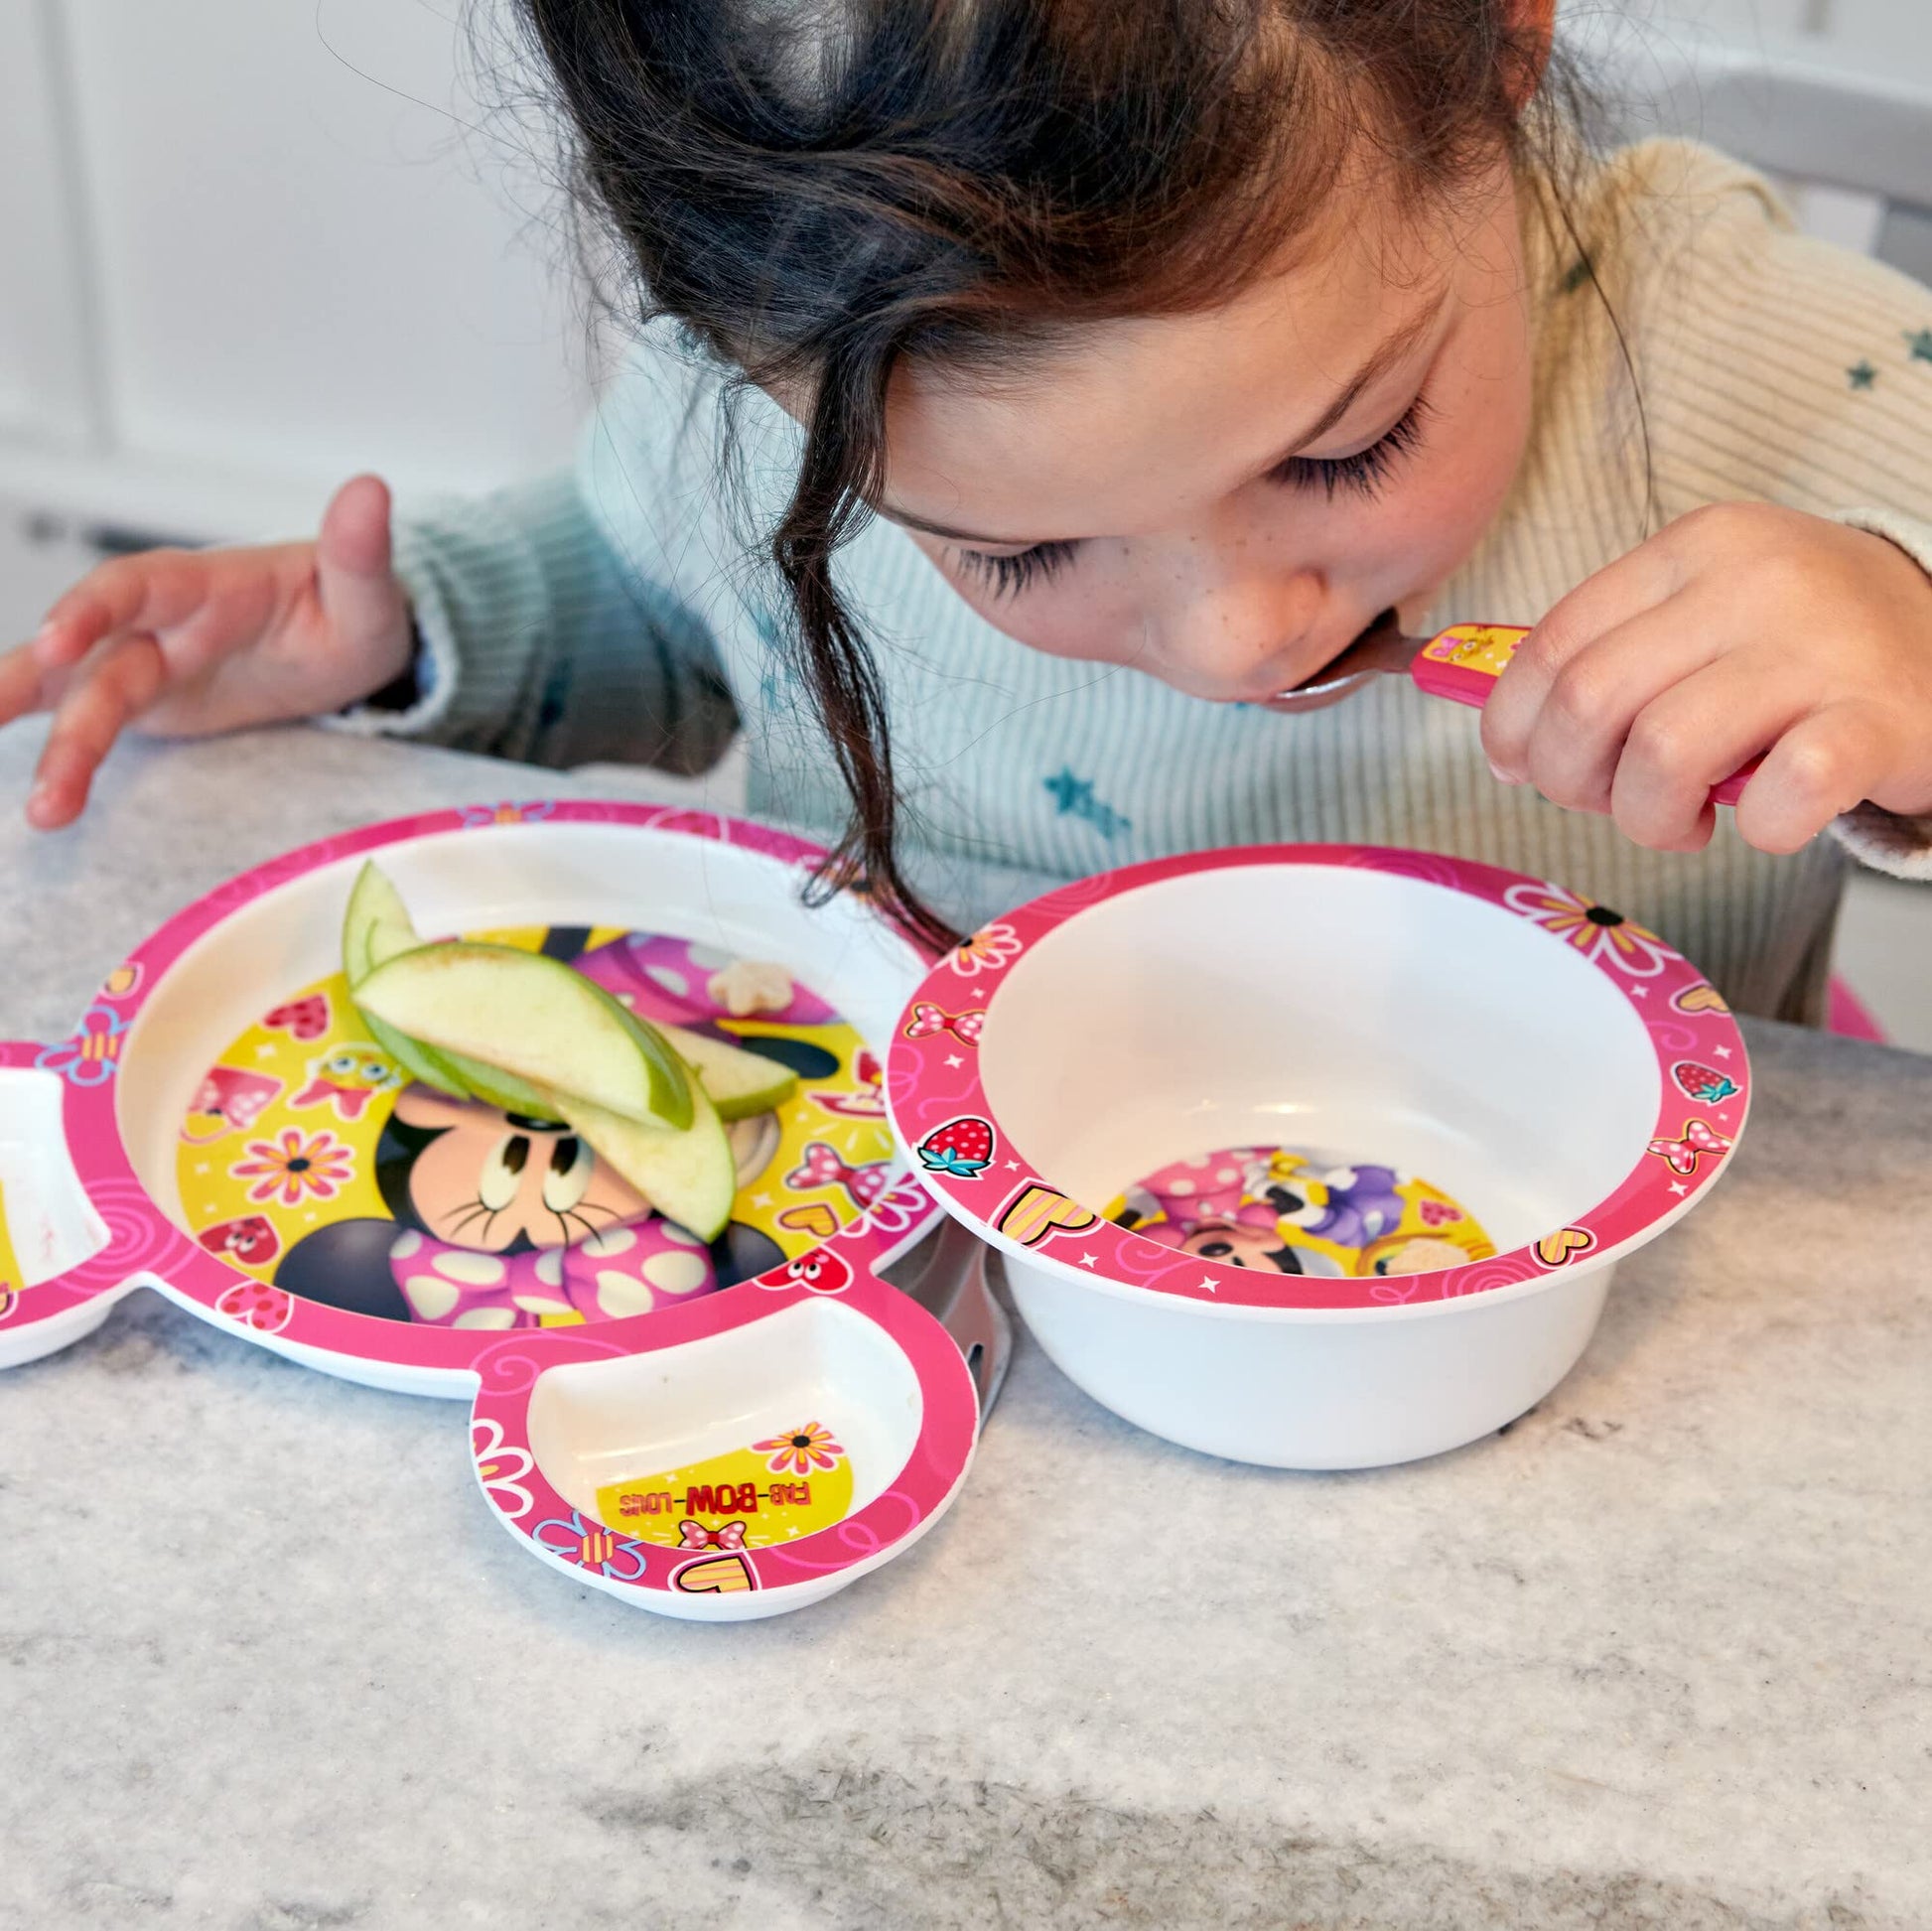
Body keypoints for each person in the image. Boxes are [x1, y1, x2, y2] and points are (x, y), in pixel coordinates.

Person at [4, 0, 1931, 1022]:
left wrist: (1903, 666)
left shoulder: (1717, 344)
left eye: (1338, 450)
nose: (1237, 630)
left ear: (1496, 48)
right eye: (1012, 550)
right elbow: (658, 610)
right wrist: (422, 628)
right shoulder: (778, 397)